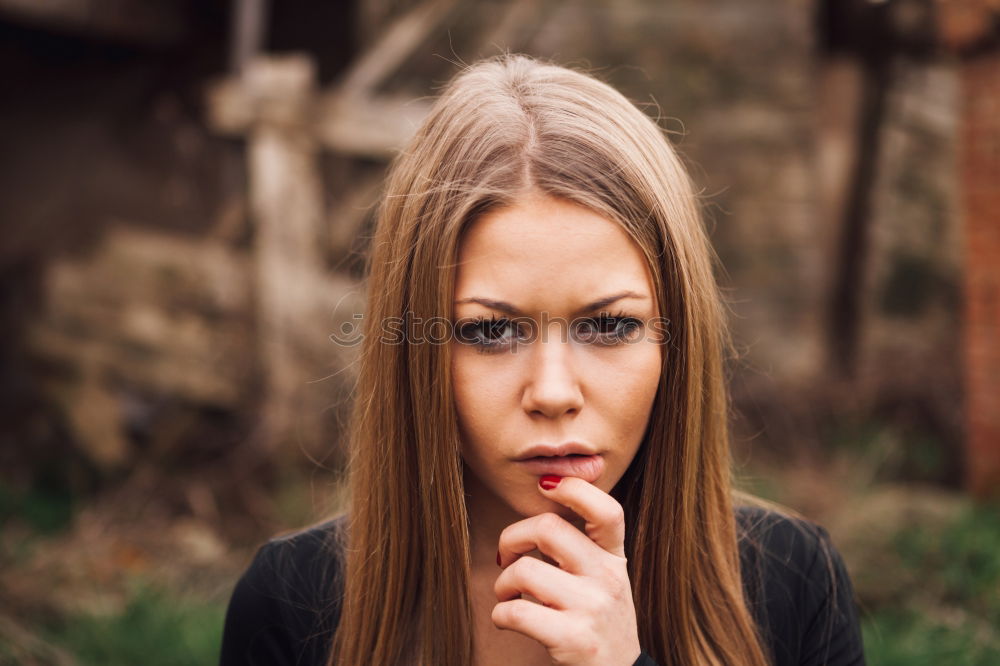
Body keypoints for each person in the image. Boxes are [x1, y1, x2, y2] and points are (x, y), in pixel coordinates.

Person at [219, 54, 866, 666]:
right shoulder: (291, 604)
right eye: (491, 332)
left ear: (676, 340)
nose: (553, 393)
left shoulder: (793, 582)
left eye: (610, 325)